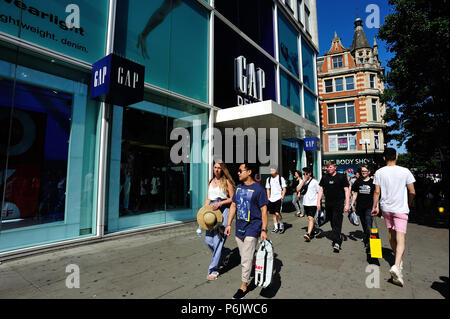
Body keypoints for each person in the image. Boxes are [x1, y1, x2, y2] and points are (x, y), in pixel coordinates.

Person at [371, 148, 416, 287]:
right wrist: (408, 203)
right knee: (401, 237)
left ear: (384, 158)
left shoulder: (379, 172)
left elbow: (377, 191)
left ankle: (397, 260)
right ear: (396, 156)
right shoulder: (405, 171)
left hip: (386, 208)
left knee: (391, 233)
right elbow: (412, 191)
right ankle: (397, 265)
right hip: (400, 208)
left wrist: (375, 206)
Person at [225, 163, 269, 299]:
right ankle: (255, 265)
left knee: (245, 258)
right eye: (237, 171)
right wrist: (228, 224)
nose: (238, 173)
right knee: (246, 255)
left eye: (240, 171)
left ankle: (243, 286)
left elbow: (264, 211)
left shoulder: (259, 190)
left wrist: (263, 229)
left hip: (253, 227)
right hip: (239, 228)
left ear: (249, 172)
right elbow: (233, 205)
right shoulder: (238, 188)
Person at [203, 162, 235, 281]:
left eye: (219, 168)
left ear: (223, 169)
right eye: (215, 167)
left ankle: (214, 269)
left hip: (223, 210)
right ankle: (225, 252)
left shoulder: (227, 181)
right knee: (208, 240)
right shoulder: (210, 181)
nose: (217, 170)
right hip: (211, 212)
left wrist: (220, 203)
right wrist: (204, 211)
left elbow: (232, 198)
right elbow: (208, 198)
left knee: (218, 241)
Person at [317, 161, 350, 253]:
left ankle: (337, 242)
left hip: (338, 204)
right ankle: (337, 235)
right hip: (328, 204)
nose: (329, 169)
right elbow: (320, 189)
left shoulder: (341, 177)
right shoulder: (324, 177)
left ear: (335, 167)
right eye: (327, 167)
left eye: (331, 167)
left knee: (337, 221)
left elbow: (346, 190)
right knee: (332, 221)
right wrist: (318, 202)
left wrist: (347, 204)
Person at [351, 165, 376, 251]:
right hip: (360, 207)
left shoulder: (373, 182)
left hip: (370, 206)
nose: (363, 172)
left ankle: (370, 243)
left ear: (369, 172)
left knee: (369, 224)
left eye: (365, 171)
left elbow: (376, 195)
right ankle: (366, 237)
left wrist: (376, 206)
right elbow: (355, 193)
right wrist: (352, 204)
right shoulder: (358, 181)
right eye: (362, 171)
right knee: (364, 224)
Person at [265, 166, 287, 234]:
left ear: (276, 171)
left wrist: (282, 196)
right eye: (270, 170)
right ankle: (276, 227)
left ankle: (281, 225)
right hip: (271, 199)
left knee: (277, 213)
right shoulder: (268, 179)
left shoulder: (281, 178)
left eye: (272, 170)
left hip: (278, 198)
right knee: (274, 214)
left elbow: (284, 188)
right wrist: (268, 197)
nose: (271, 172)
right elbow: (268, 189)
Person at [301, 167, 320, 242]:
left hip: (313, 203)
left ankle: (308, 234)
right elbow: (297, 189)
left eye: (306, 174)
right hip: (305, 203)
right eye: (303, 174)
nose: (305, 175)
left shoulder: (315, 182)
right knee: (309, 218)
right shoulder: (303, 181)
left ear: (310, 173)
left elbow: (319, 192)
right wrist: (303, 181)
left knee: (310, 218)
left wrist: (319, 202)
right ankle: (313, 229)